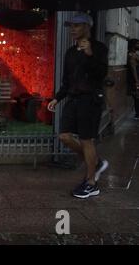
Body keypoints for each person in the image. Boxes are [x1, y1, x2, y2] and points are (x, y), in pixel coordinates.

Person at [47, 13, 109, 199]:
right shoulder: (71, 52)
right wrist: (57, 98)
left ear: (87, 27)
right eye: (70, 26)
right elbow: (67, 81)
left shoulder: (99, 48)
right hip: (74, 99)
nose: (72, 29)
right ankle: (96, 162)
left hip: (91, 99)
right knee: (64, 136)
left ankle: (91, 183)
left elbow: (101, 74)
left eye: (77, 25)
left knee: (86, 139)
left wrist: (90, 54)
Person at [126, 38, 139, 120]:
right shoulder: (131, 55)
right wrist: (137, 81)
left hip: (136, 78)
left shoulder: (135, 54)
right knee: (137, 96)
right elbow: (133, 69)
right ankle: (137, 114)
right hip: (135, 79)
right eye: (137, 44)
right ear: (133, 45)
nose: (138, 45)